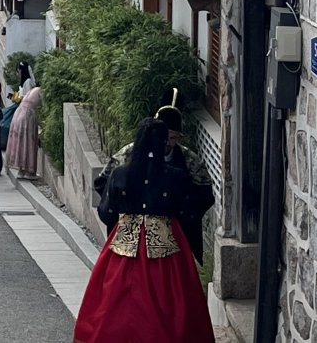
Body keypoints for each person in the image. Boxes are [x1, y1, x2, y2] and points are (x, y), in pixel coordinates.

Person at [75, 118, 215, 343]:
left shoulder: (120, 174)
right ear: (163, 144)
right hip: (165, 242)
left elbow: (106, 212)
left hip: (126, 239)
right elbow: (187, 208)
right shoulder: (176, 176)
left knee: (113, 297)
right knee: (172, 298)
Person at [94, 94, 214, 263]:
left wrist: (183, 216)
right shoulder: (128, 154)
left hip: (169, 234)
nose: (167, 144)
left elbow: (204, 193)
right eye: (164, 138)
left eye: (173, 138)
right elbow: (103, 183)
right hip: (129, 234)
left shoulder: (188, 159)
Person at [5, 66, 42, 180]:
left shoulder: (32, 89)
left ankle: (21, 170)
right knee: (29, 142)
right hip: (27, 117)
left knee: (20, 142)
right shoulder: (40, 91)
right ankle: (29, 172)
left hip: (18, 114)